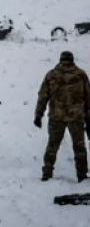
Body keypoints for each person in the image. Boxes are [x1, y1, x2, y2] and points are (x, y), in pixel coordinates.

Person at [34, 51, 89, 182]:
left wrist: (38, 115)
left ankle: (47, 172)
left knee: (52, 145)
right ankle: (82, 175)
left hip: (56, 116)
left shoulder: (51, 75)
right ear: (72, 60)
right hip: (75, 117)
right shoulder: (80, 74)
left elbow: (43, 96)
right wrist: (88, 118)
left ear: (60, 60)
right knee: (79, 146)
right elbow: (88, 98)